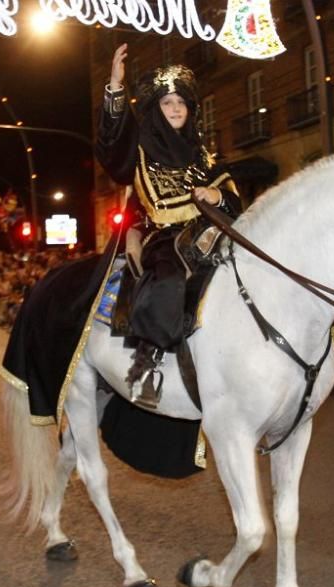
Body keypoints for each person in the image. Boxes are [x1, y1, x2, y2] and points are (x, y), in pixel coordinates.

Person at [96, 44, 242, 407]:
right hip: (163, 238)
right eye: (167, 103)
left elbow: (232, 197)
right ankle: (146, 363)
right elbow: (114, 147)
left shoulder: (202, 154)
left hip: (208, 234)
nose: (176, 108)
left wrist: (215, 195)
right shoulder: (141, 147)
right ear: (156, 111)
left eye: (181, 103)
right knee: (170, 280)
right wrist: (116, 86)